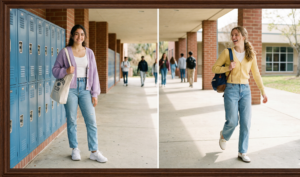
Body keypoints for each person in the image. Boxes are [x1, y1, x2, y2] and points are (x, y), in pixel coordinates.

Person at [212, 26, 268, 163]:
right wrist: (227, 67)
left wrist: (263, 92)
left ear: (243, 36)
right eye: (232, 35)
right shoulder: (227, 53)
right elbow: (214, 68)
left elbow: (256, 74)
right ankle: (224, 135)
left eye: (236, 34)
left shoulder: (251, 55)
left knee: (246, 123)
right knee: (232, 121)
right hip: (231, 89)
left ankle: (242, 152)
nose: (233, 37)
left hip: (246, 91)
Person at [52, 25, 107, 163]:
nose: (79, 37)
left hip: (85, 89)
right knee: (71, 120)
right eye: (76, 34)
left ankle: (94, 151)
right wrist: (65, 70)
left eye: (82, 34)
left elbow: (94, 73)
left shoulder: (89, 53)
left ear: (85, 37)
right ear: (71, 36)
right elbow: (54, 70)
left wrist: (95, 93)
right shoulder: (65, 52)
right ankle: (75, 149)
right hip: (70, 89)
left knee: (91, 121)